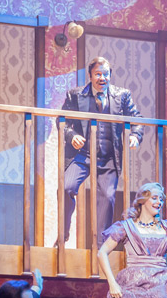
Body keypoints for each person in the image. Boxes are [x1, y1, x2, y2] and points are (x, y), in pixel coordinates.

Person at [58, 56, 144, 245]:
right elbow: (62, 121)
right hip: (82, 155)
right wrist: (72, 135)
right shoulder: (75, 95)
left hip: (108, 157)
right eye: (98, 74)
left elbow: (136, 118)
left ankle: (100, 247)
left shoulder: (122, 95)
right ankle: (63, 234)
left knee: (107, 198)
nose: (102, 78)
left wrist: (135, 135)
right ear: (90, 76)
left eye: (105, 74)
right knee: (66, 187)